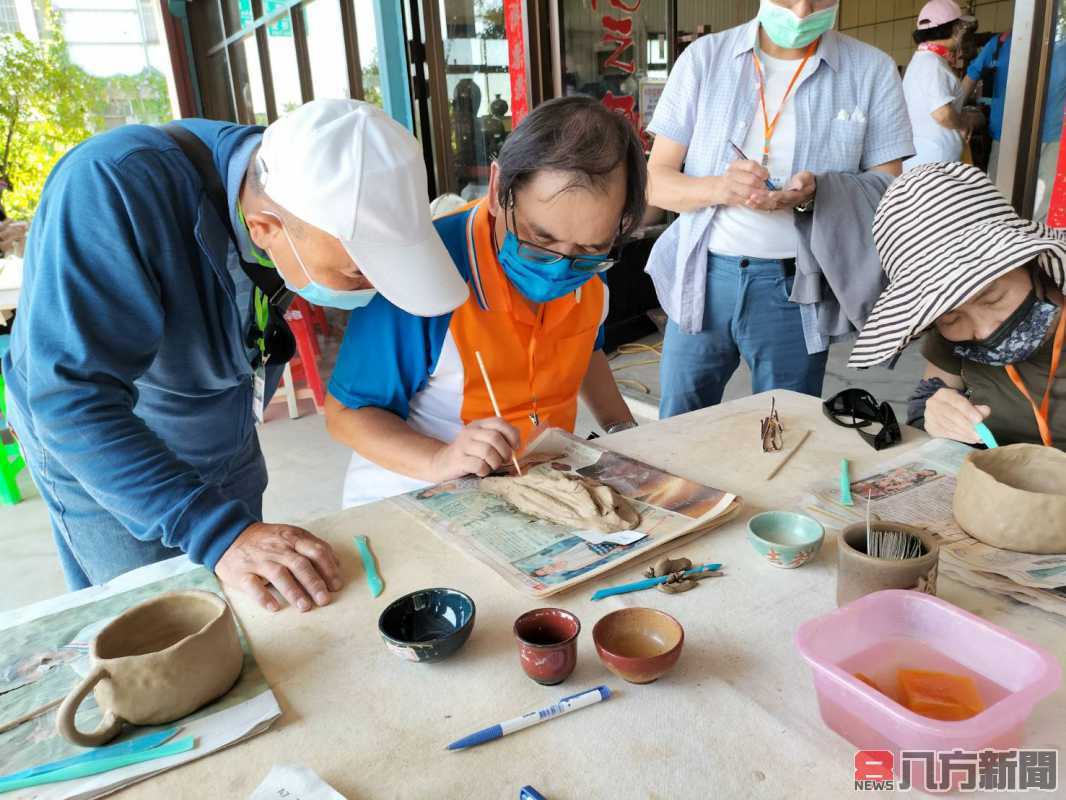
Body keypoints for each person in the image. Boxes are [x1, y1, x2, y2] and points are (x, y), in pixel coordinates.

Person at [2, 99, 468, 611]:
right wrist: (215, 531)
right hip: (106, 442)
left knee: (245, 598)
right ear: (266, 227)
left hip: (223, 412)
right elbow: (69, 398)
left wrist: (233, 534)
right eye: (357, 272)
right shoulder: (113, 186)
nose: (372, 289)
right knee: (160, 619)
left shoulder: (290, 171)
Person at [325, 96, 644, 507]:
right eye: (539, 240)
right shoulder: (423, 272)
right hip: (416, 491)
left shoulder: (591, 273)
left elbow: (587, 349)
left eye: (588, 249)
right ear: (498, 190)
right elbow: (347, 414)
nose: (558, 270)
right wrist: (441, 459)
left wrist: (622, 431)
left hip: (533, 486)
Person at [645, 0, 914, 418]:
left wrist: (817, 193)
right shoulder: (705, 59)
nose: (803, 10)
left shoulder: (871, 70)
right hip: (703, 275)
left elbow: (889, 194)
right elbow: (655, 183)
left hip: (797, 285)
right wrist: (720, 187)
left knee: (785, 426)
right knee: (679, 417)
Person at [848, 162, 1066, 449]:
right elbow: (931, 395)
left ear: (1030, 264)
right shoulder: (952, 334)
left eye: (992, 297)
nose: (985, 330)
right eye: (951, 318)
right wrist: (936, 414)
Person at [960, 28, 1066, 221]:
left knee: (1041, 205)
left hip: (1052, 137)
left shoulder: (1062, 44)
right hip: (1006, 135)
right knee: (999, 200)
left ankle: (1032, 245)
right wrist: (954, 115)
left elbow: (970, 77)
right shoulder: (1000, 43)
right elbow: (971, 76)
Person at [902, 0, 973, 170]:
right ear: (955, 29)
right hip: (935, 162)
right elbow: (941, 113)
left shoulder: (924, 59)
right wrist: (963, 123)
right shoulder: (932, 63)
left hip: (928, 159)